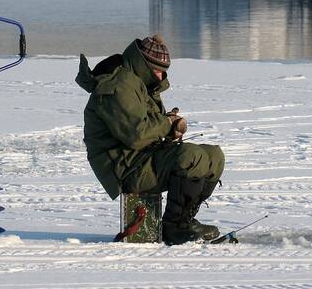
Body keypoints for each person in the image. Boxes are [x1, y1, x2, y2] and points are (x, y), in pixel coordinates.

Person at [75, 34, 224, 245]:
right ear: (143, 65)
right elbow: (137, 135)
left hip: (141, 157)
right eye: (158, 71)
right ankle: (174, 228)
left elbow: (146, 126)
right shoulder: (119, 85)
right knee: (191, 157)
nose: (162, 77)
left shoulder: (139, 83)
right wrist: (167, 124)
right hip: (125, 168)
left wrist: (168, 129)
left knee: (214, 157)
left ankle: (185, 219)